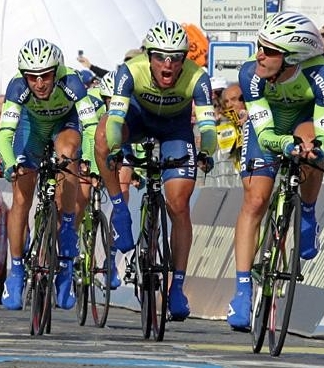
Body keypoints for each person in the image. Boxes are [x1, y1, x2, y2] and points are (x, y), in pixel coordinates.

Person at [94, 20, 217, 320]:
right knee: (100, 136)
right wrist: (114, 150)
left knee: (179, 205)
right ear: (148, 56)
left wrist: (206, 152)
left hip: (175, 129)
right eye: (161, 56)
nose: (168, 64)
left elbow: (209, 128)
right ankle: (120, 210)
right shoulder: (130, 71)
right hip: (137, 119)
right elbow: (114, 124)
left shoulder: (198, 78)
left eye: (176, 57)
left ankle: (177, 287)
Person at [227, 11, 324, 330]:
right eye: (260, 45)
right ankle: (243, 290)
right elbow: (264, 135)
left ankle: (308, 214)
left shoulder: (322, 75)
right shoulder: (252, 74)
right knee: (256, 201)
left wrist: (316, 148)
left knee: (311, 145)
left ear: (293, 57)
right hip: (270, 127)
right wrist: (284, 145)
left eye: (270, 50)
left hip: (303, 120)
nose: (259, 54)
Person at [0, 38, 98, 311]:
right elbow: (5, 133)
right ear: (24, 76)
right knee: (21, 199)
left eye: (46, 76)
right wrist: (10, 164)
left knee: (68, 155)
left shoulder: (72, 82)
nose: (39, 83)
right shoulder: (17, 87)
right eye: (33, 77)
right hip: (31, 129)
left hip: (64, 126)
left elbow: (90, 128)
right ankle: (16, 272)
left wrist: (89, 162)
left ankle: (66, 240)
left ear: (57, 71)